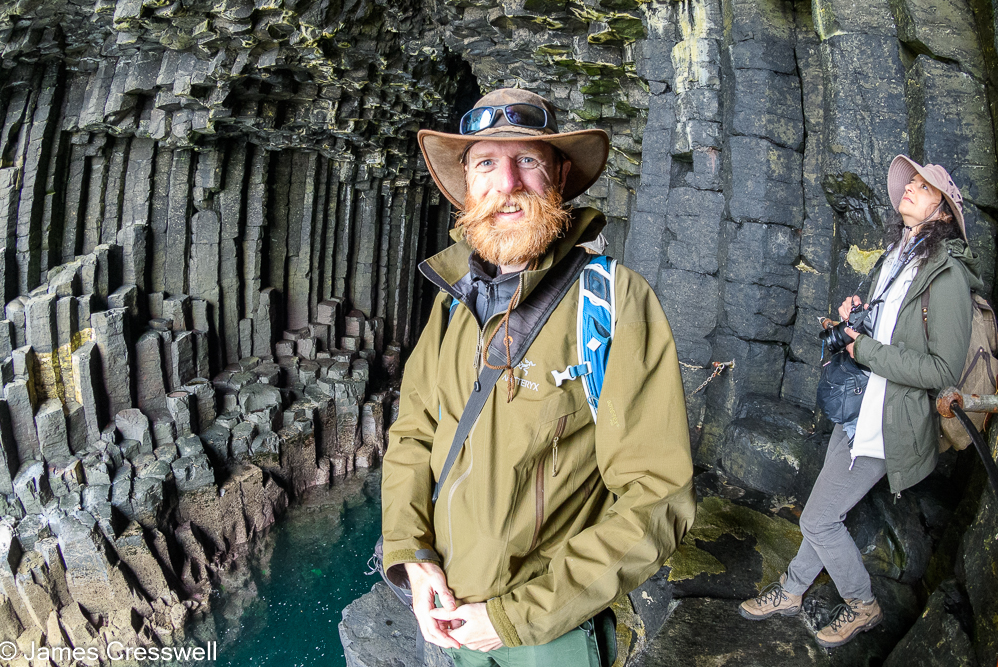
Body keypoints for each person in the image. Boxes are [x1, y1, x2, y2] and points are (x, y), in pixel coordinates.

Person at [379, 88, 696, 666]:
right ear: (466, 185)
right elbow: (413, 435)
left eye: (527, 160)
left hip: (545, 632)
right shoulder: (453, 302)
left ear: (559, 175)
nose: (508, 183)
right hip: (449, 603)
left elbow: (658, 497)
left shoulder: (613, 300)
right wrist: (411, 552)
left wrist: (514, 617)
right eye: (486, 164)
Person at [739, 156, 980, 647]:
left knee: (818, 517)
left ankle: (862, 604)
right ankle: (791, 589)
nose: (909, 188)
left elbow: (941, 372)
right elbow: (893, 331)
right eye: (909, 182)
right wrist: (860, 317)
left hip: (892, 422)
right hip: (861, 408)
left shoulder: (947, 277)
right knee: (826, 508)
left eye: (922, 186)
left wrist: (862, 347)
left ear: (943, 212)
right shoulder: (899, 258)